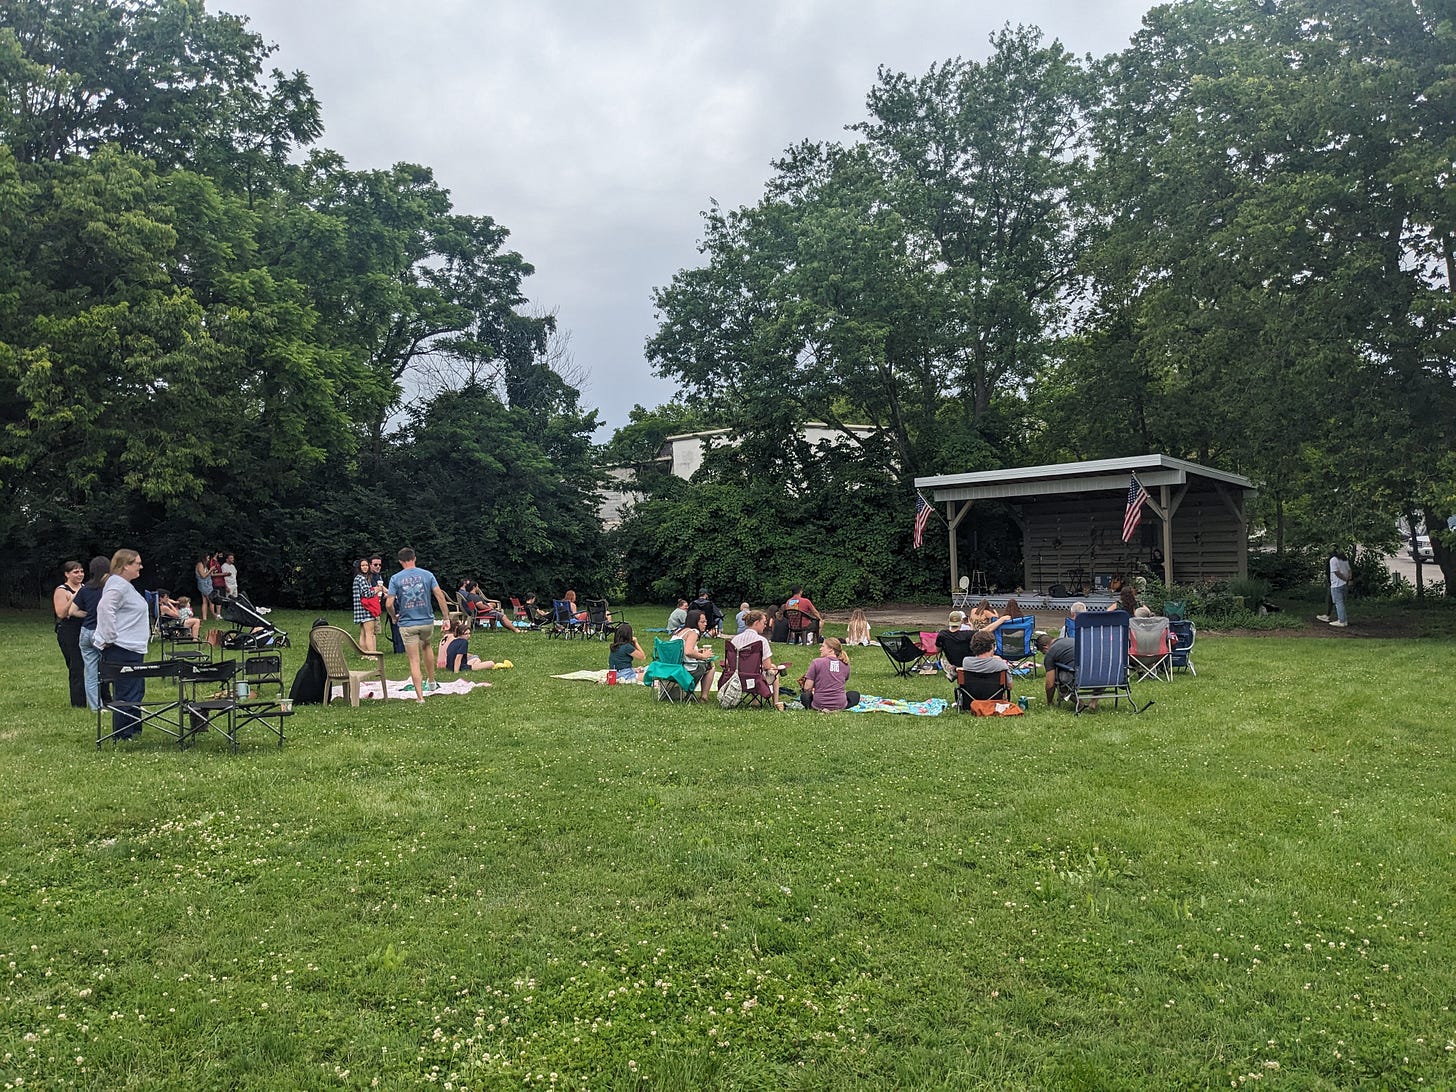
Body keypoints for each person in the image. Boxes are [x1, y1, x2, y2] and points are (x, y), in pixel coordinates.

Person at [93, 550, 150, 739]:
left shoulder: (125, 585)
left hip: (132, 648)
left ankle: (133, 729)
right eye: (137, 563)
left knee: (136, 690)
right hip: (123, 648)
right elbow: (104, 608)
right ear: (125, 565)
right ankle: (123, 733)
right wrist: (109, 637)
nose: (140, 567)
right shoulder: (118, 585)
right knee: (127, 691)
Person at [385, 547, 453, 703]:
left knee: (414, 660)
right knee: (427, 646)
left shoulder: (396, 578)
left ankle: (420, 697)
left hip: (407, 623)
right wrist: (446, 617)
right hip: (426, 621)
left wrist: (393, 616)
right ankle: (431, 681)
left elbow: (389, 603)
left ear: (401, 562)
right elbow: (440, 596)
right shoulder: (427, 575)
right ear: (414, 558)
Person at [71, 556, 111, 711]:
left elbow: (72, 611)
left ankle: (96, 707)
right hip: (102, 632)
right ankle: (116, 701)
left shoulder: (85, 588)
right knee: (111, 668)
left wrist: (88, 614)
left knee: (91, 672)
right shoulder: (108, 589)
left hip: (86, 632)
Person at [53, 560, 87, 708]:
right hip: (68, 631)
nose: (80, 574)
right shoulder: (61, 590)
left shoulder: (86, 588)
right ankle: (78, 703)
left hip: (84, 628)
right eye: (76, 572)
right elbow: (61, 613)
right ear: (67, 574)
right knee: (76, 666)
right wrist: (75, 596)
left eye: (81, 571)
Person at [797, 636, 859, 712]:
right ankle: (836, 708)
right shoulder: (845, 664)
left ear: (830, 649)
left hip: (819, 704)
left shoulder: (816, 662)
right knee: (855, 695)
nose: (820, 649)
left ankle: (823, 708)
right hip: (839, 704)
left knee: (804, 696)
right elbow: (842, 682)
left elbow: (807, 688)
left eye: (823, 646)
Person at [670, 608, 716, 701]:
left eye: (706, 621)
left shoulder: (679, 632)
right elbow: (688, 652)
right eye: (702, 622)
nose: (705, 624)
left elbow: (682, 650)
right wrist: (704, 656)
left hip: (672, 668)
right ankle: (704, 697)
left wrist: (697, 651)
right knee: (711, 666)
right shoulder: (693, 632)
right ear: (695, 622)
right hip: (686, 669)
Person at [440, 618, 507, 672]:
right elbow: (458, 657)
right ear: (460, 634)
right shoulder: (464, 642)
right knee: (491, 663)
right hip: (461, 667)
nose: (468, 636)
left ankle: (477, 666)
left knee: (476, 659)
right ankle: (476, 667)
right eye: (466, 634)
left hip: (450, 666)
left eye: (469, 633)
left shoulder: (453, 641)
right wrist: (456, 672)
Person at [1036, 631, 1077, 707]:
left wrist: (1049, 702)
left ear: (1045, 647)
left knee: (1058, 682)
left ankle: (1080, 703)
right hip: (1098, 677)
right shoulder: (1072, 640)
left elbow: (1050, 684)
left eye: (1043, 653)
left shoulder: (1050, 652)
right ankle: (1093, 703)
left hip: (1078, 677)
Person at [352, 559, 380, 653]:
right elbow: (367, 593)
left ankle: (364, 654)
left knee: (363, 634)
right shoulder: (362, 579)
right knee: (370, 634)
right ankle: (372, 654)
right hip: (366, 609)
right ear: (359, 567)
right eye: (363, 565)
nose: (365, 567)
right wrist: (376, 589)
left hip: (359, 610)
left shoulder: (357, 578)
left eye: (366, 565)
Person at [1328, 547, 1352, 627]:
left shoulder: (1333, 560)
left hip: (1336, 584)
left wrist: (1344, 578)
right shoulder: (1344, 559)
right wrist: (1348, 579)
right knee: (1342, 602)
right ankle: (1344, 620)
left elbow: (1336, 572)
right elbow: (1349, 571)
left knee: (1338, 603)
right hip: (1344, 584)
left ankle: (1341, 620)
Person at [194, 552, 215, 620]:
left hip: (207, 584)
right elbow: (203, 576)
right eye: (208, 558)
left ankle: (204, 617)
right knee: (211, 600)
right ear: (204, 558)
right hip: (204, 585)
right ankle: (215, 615)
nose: (209, 560)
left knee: (205, 601)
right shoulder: (200, 564)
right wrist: (210, 570)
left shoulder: (204, 565)